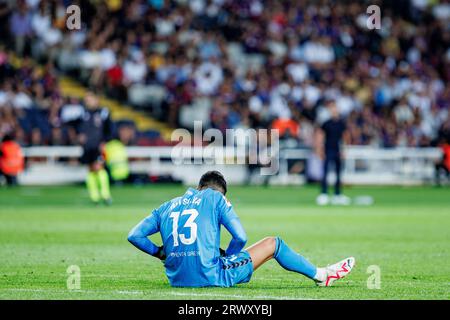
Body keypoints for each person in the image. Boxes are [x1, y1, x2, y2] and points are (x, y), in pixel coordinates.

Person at [127, 170, 355, 288]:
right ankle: (323, 276)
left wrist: (159, 252)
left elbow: (134, 235)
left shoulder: (166, 206)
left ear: (198, 187)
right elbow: (240, 236)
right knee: (273, 244)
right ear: (219, 193)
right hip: (209, 275)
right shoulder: (215, 199)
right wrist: (228, 256)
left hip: (177, 278)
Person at [78, 91, 113, 205]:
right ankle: (95, 197)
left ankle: (105, 195)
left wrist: (104, 141)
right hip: (87, 146)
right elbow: (80, 128)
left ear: (96, 99)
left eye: (90, 99)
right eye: (86, 99)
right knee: (90, 170)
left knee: (99, 168)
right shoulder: (84, 113)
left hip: (98, 146)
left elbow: (109, 129)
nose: (87, 101)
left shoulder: (103, 112)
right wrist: (80, 135)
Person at [316, 101, 350, 206]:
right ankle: (324, 194)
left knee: (338, 173)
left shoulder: (341, 123)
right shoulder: (326, 123)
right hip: (328, 149)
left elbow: (345, 137)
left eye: (335, 108)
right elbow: (321, 136)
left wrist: (344, 150)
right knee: (325, 172)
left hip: (337, 150)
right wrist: (320, 149)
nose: (334, 111)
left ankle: (337, 194)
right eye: (332, 109)